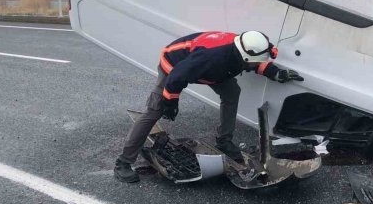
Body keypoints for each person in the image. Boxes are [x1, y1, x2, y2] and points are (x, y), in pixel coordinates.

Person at [114, 31, 304, 182]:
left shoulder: (245, 46)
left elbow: (256, 63)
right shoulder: (211, 58)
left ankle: (224, 141)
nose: (261, 63)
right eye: (258, 62)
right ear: (244, 58)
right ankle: (123, 162)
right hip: (174, 64)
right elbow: (177, 77)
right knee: (155, 109)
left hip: (213, 70)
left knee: (231, 92)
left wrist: (275, 73)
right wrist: (171, 101)